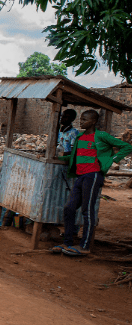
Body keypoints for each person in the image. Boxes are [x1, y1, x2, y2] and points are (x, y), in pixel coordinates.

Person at [53, 109, 132, 256]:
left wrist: (111, 161)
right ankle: (68, 242)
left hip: (93, 176)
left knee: (87, 210)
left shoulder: (101, 136)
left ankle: (85, 246)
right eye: (81, 119)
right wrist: (58, 158)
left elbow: (127, 147)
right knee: (69, 208)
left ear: (93, 121)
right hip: (80, 176)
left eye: (84, 120)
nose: (81, 122)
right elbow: (74, 157)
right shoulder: (80, 137)